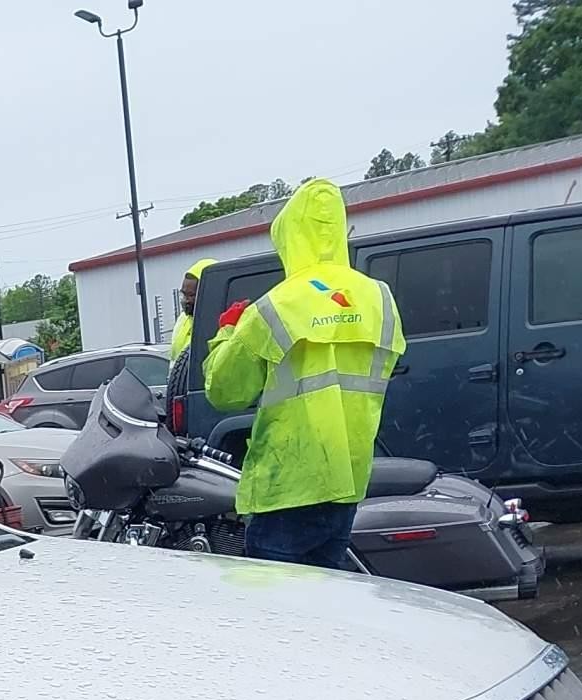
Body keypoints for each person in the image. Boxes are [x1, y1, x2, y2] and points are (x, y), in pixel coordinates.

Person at [202, 180, 404, 571]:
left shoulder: (277, 305)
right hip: (347, 478)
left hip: (286, 488)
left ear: (290, 234)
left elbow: (224, 391)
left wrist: (227, 331)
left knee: (281, 614)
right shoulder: (380, 297)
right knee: (327, 606)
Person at [164, 255, 217, 363]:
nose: (186, 300)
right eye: (184, 294)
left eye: (191, 295)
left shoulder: (221, 322)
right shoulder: (182, 321)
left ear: (207, 292)